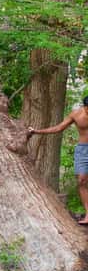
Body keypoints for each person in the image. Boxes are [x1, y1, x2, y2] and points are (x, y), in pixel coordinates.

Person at [28, 96, 88, 225]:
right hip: (83, 150)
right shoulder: (76, 114)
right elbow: (58, 128)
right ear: (85, 106)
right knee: (82, 181)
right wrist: (37, 131)